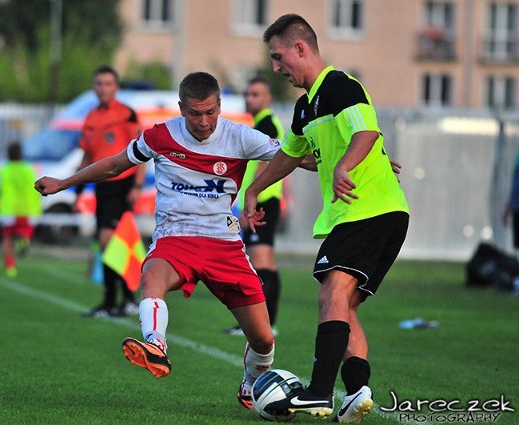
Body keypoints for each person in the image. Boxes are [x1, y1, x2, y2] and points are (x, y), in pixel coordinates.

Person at [35, 71, 314, 409]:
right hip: (175, 236)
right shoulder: (160, 136)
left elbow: (297, 157)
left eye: (210, 112)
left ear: (220, 106)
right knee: (151, 276)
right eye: (195, 113)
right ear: (181, 108)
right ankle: (156, 345)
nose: (203, 121)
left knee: (264, 338)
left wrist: (357, 162)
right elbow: (114, 165)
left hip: (223, 243)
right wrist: (64, 183)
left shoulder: (240, 137)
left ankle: (252, 382)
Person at [243, 14, 410, 423]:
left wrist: (343, 167)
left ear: (301, 48)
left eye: (279, 57)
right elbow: (288, 155)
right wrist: (253, 188)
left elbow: (365, 134)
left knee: (330, 292)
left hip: (367, 209)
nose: (277, 67)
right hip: (369, 212)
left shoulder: (340, 86)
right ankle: (357, 393)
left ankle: (318, 393)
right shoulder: (306, 107)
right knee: (345, 306)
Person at [77, 65, 145, 318]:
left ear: (116, 87)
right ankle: (125, 300)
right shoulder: (91, 117)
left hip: (123, 185)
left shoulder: (126, 114)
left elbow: (141, 153)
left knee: (110, 242)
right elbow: (87, 155)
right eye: (99, 83)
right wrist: (76, 187)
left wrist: (137, 186)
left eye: (108, 83)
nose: (103, 88)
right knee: (111, 244)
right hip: (102, 187)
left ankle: (111, 302)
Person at [224, 77, 285, 337]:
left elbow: (266, 163)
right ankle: (266, 323)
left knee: (261, 263)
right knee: (264, 263)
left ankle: (264, 323)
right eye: (247, 94)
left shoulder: (267, 124)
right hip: (263, 201)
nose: (250, 99)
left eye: (256, 94)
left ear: (268, 98)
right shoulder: (260, 124)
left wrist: (252, 199)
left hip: (262, 203)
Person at [0, 141, 42, 278]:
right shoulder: (29, 169)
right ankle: (24, 239)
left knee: (7, 238)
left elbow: (1, 189)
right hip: (28, 208)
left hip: (9, 209)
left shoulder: (5, 170)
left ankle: (10, 267)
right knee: (23, 232)